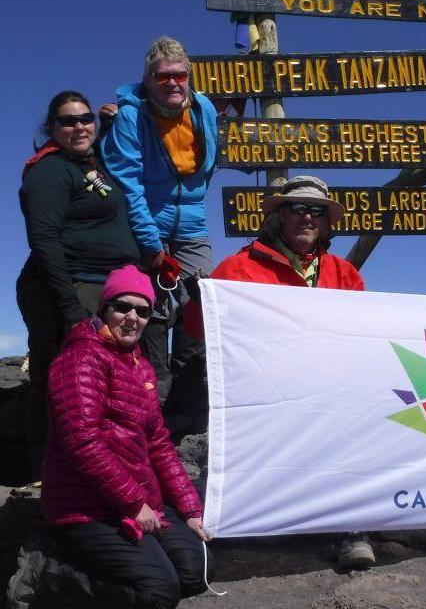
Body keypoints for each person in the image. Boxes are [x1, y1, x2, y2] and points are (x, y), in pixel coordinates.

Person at [183, 175, 374, 568]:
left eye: (317, 211)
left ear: (326, 223)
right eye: (298, 208)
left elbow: (364, 337)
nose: (308, 217)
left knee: (352, 436)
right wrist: (201, 300)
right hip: (258, 396)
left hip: (327, 393)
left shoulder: (345, 274)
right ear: (280, 217)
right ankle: (237, 525)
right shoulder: (236, 269)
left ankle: (350, 531)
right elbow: (196, 329)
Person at [42, 265, 213, 607]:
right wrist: (133, 503)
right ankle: (49, 576)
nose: (132, 317)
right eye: (122, 307)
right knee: (159, 593)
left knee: (195, 575)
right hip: (86, 507)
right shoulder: (80, 358)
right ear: (103, 308)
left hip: (136, 497)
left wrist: (190, 508)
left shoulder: (141, 366)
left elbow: (160, 445)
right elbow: (82, 443)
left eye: (143, 311)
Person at [17, 91, 141, 482]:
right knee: (63, 377)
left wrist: (115, 120)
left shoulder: (93, 163)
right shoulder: (49, 172)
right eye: (68, 121)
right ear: (51, 129)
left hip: (105, 285)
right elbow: (45, 240)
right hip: (69, 284)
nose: (79, 126)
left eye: (85, 118)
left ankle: (99, 463)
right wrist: (70, 308)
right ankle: (49, 470)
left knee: (103, 380)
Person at [100, 37, 217, 434]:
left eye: (179, 75)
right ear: (147, 80)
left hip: (193, 225)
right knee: (149, 315)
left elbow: (206, 168)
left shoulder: (205, 110)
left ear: (190, 78)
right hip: (146, 221)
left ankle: (189, 409)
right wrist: (151, 244)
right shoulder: (132, 118)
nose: (172, 82)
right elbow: (127, 182)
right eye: (162, 76)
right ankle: (151, 409)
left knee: (199, 310)